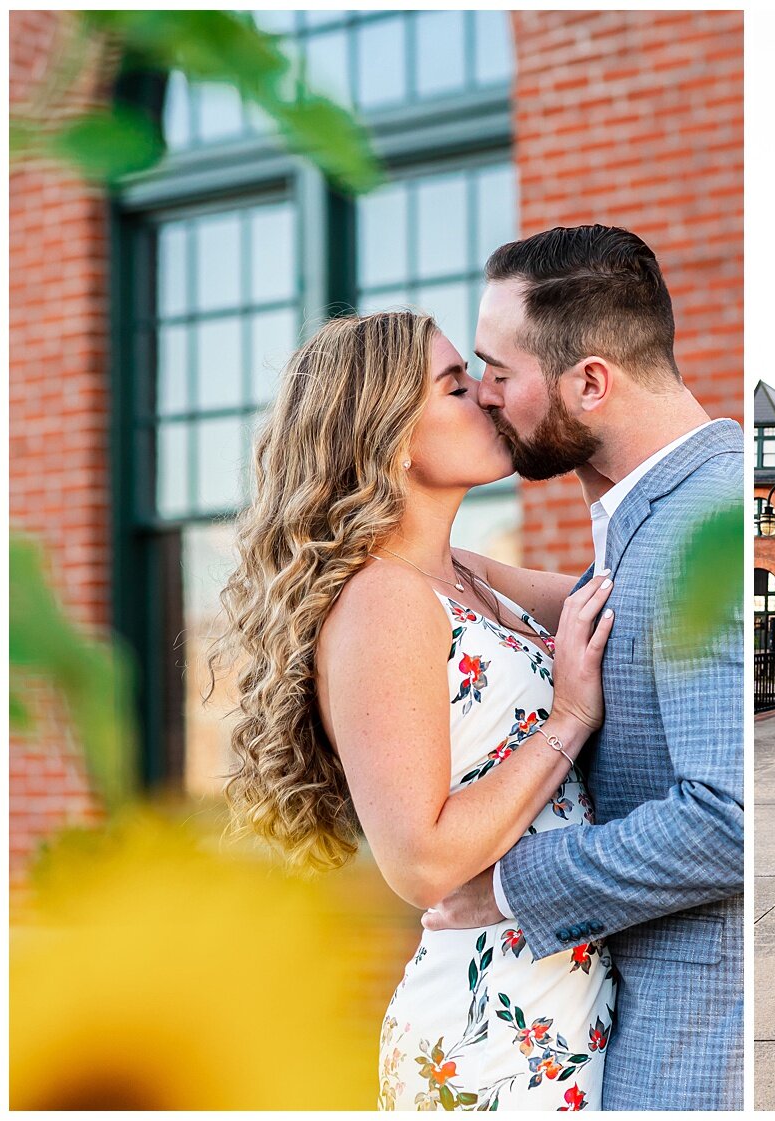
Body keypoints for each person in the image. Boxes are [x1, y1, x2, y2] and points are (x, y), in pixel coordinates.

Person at [215, 310, 620, 1109]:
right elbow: (421, 861)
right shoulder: (383, 602)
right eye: (457, 386)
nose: (489, 399)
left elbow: (620, 596)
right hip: (490, 1033)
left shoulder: (461, 574)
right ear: (391, 435)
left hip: (555, 1006)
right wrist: (569, 717)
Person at [422, 225, 745, 1110]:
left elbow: (734, 818)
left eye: (498, 370)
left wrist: (510, 888)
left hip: (698, 1052)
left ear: (590, 382)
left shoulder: (702, 528)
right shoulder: (657, 513)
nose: (484, 396)